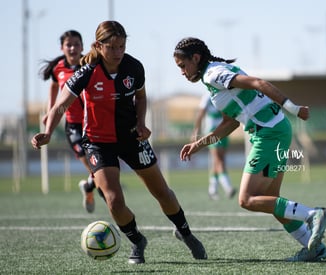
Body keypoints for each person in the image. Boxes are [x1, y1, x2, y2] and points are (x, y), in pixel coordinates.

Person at [32, 21, 207, 264]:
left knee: (162, 192)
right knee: (113, 199)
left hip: (131, 137)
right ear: (98, 46)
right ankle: (137, 241)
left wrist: (142, 122)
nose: (118, 52)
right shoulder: (86, 72)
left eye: (122, 46)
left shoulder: (134, 67)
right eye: (112, 47)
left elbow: (141, 96)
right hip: (97, 142)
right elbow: (60, 105)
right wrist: (48, 132)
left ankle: (186, 233)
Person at [173, 37, 326, 262]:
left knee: (247, 199)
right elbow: (230, 123)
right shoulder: (212, 80)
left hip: (269, 133)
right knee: (272, 200)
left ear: (196, 58)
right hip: (275, 130)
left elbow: (258, 83)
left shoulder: (213, 73)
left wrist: (294, 109)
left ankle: (313, 214)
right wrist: (198, 144)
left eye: (182, 65)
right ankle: (313, 248)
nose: (181, 72)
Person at [40, 30, 98, 213]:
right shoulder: (58, 69)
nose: (72, 48)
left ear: (82, 46)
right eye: (68, 45)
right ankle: (96, 190)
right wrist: (51, 110)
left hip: (95, 124)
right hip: (73, 126)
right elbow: (54, 86)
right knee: (95, 169)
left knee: (100, 171)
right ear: (62, 48)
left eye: (76, 44)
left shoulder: (90, 63)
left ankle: (90, 188)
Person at [192, 93, 236, 200]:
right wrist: (196, 131)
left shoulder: (222, 94)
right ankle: (228, 188)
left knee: (218, 161)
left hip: (224, 131)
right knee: (219, 160)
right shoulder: (207, 96)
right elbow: (201, 113)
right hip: (212, 132)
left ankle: (212, 190)